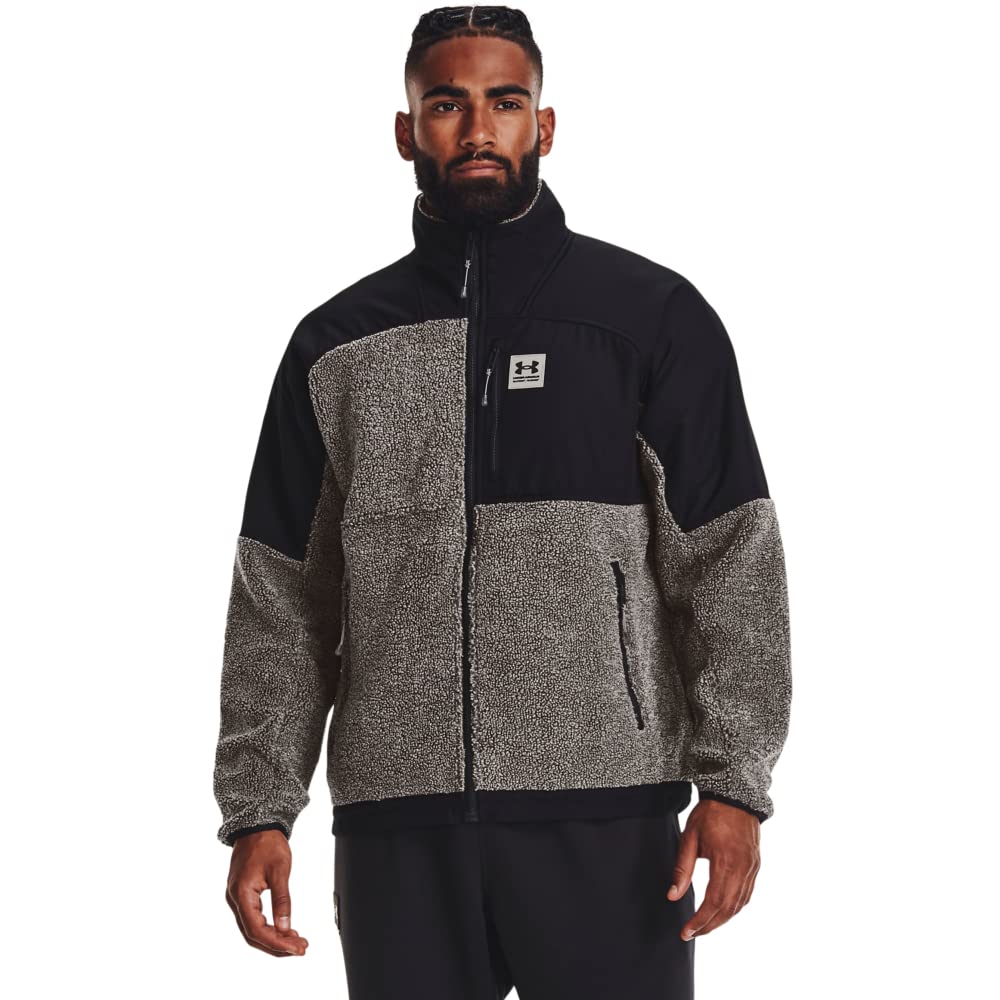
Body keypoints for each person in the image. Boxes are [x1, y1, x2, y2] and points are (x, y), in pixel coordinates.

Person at [213, 6, 792, 997]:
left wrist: (733, 785)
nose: (478, 129)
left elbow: (730, 561)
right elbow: (283, 598)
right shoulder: (336, 349)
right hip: (399, 827)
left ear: (544, 125)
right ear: (406, 131)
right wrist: (260, 809)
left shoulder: (648, 317)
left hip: (608, 816)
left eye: (505, 102)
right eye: (447, 105)